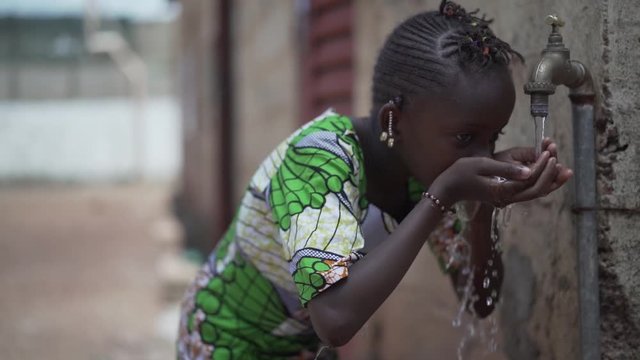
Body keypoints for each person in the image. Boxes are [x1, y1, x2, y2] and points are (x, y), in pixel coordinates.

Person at [177, 1, 573, 359]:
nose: (482, 156)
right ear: (393, 121)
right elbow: (334, 321)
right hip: (222, 341)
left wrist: (485, 201)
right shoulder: (318, 158)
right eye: (465, 138)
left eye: (493, 139)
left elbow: (479, 300)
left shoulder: (426, 171)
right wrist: (444, 194)